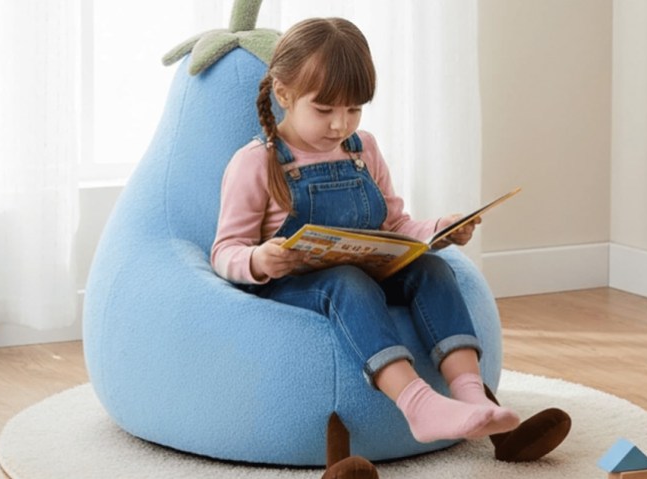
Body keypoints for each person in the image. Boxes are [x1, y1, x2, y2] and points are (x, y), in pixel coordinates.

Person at [211, 17, 560, 459]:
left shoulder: (363, 150)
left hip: (366, 267)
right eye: (324, 110)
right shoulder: (256, 162)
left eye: (354, 109)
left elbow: (395, 225)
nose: (341, 124)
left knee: (432, 269)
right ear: (284, 94)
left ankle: (471, 393)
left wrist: (438, 231)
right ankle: (417, 404)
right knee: (347, 283)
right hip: (299, 284)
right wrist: (260, 260)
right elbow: (225, 251)